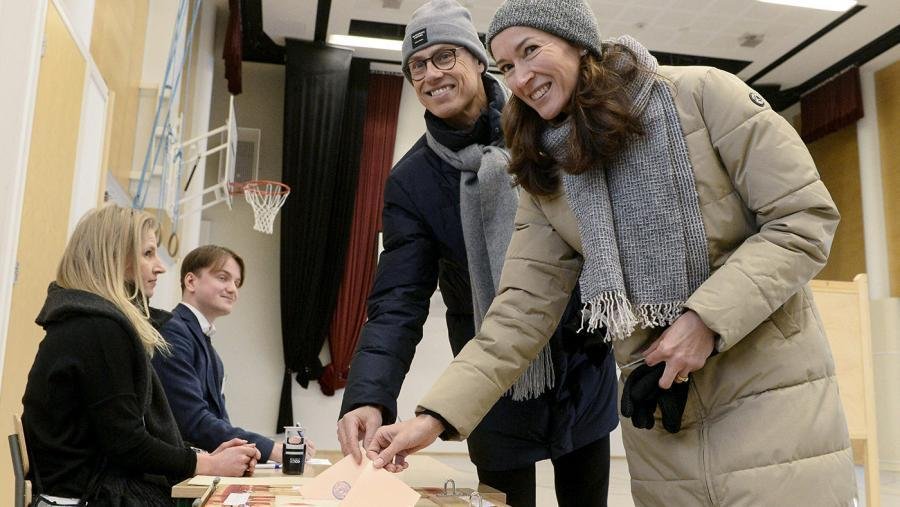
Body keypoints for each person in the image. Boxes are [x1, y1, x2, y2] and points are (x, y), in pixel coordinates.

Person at [364, 0, 858, 505]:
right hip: (662, 414)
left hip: (770, 400)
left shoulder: (704, 96)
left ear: (579, 43)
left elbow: (803, 220)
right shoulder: (545, 167)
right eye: (507, 65)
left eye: (531, 50)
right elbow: (517, 314)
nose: (520, 78)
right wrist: (432, 418)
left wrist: (704, 321)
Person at [336, 1, 618, 505]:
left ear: (477, 59)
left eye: (444, 56)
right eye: (416, 66)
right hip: (488, 382)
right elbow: (398, 301)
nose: (430, 74)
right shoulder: (412, 182)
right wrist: (368, 396)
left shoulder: (545, 128)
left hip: (580, 361)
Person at [22, 205, 260, 506]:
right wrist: (208, 465)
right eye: (148, 253)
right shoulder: (99, 329)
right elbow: (126, 442)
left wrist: (203, 457)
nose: (160, 267)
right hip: (84, 496)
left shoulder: (86, 321)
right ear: (114, 257)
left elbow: (122, 435)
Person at [152, 245, 311, 464]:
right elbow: (191, 421)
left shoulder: (211, 353)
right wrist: (269, 449)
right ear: (191, 281)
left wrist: (248, 452)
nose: (232, 289)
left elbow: (219, 422)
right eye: (223, 278)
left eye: (237, 283)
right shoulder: (173, 330)